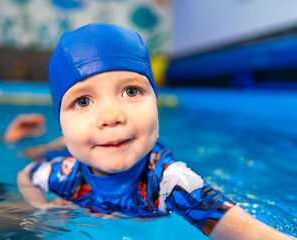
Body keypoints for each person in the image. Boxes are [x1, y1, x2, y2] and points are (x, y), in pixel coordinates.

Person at [17, 23, 295, 239]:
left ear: (156, 103)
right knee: (33, 153)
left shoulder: (169, 183)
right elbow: (25, 176)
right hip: (72, 149)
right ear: (62, 123)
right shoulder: (64, 175)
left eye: (131, 91)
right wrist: (46, 209)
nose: (112, 116)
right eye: (82, 101)